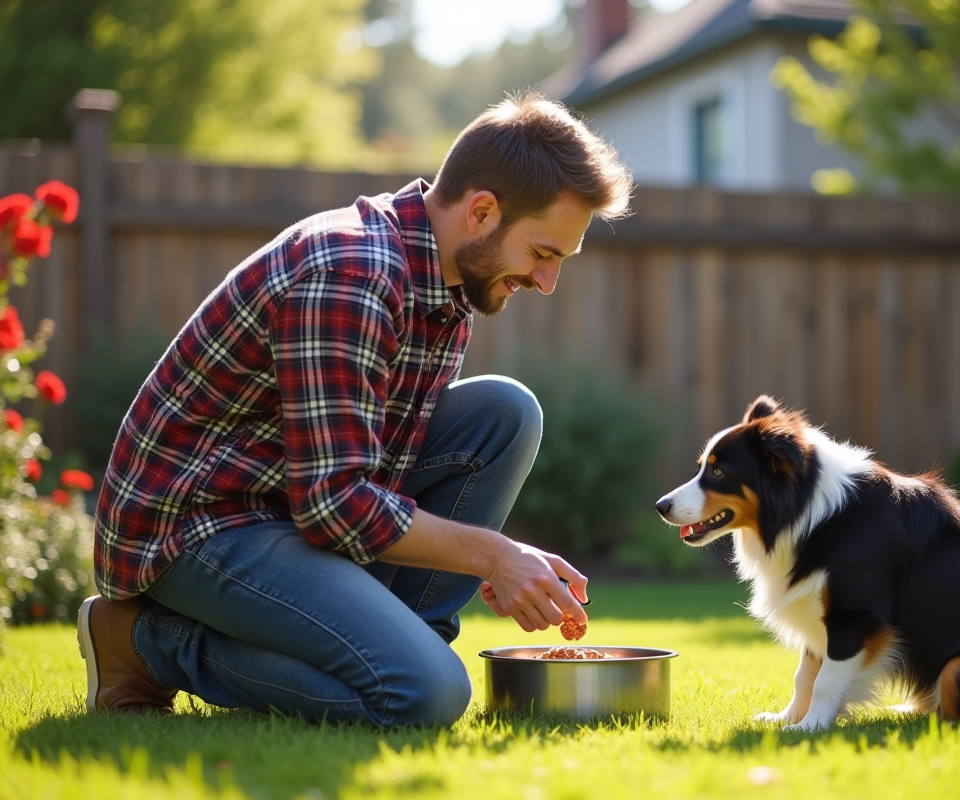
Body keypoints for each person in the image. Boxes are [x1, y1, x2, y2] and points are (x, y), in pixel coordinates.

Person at [76, 92, 633, 727]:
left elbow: (371, 474)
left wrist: (487, 555)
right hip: (197, 527)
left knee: (505, 413)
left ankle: (409, 646)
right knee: (427, 696)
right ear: (481, 212)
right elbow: (335, 505)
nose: (547, 282)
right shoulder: (352, 273)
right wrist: (494, 556)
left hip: (285, 506)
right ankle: (146, 644)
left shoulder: (445, 284)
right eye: (542, 253)